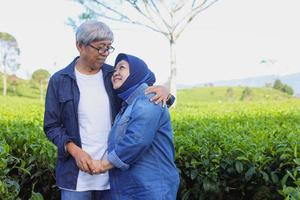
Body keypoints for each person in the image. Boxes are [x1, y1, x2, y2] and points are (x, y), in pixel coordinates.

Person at [43, 20, 173, 200]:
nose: (105, 54)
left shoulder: (113, 76)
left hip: (114, 176)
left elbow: (141, 95)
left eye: (108, 48)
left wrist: (166, 93)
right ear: (80, 46)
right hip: (76, 177)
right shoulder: (59, 81)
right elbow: (51, 126)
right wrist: (75, 151)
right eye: (99, 48)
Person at [92, 53, 180, 200]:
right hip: (135, 187)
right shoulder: (127, 105)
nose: (116, 73)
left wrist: (102, 165)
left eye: (122, 68)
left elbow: (136, 140)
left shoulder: (149, 98)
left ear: (136, 72)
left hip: (152, 189)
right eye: (115, 70)